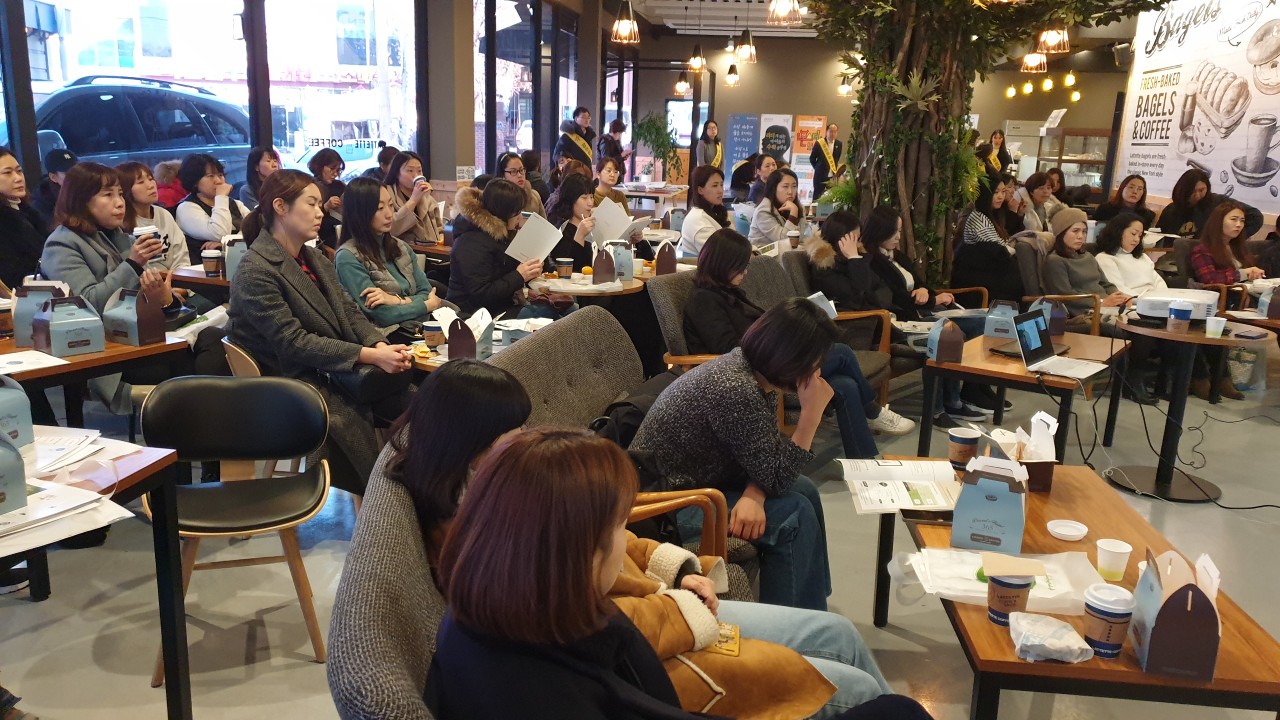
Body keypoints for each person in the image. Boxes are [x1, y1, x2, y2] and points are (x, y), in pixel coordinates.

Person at [425, 426, 931, 720]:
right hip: (676, 631)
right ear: (577, 550)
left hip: (669, 616)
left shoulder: (509, 597)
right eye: (618, 526)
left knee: (842, 641)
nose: (626, 536)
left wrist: (676, 577)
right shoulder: (546, 677)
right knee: (887, 706)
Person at [632, 300, 837, 610]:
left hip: (701, 483)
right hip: (667, 507)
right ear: (790, 359)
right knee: (793, 515)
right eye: (813, 362)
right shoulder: (735, 387)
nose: (816, 371)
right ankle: (792, 626)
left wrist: (755, 493)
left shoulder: (750, 370)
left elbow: (767, 454)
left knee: (806, 490)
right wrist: (810, 417)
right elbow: (776, 476)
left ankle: (811, 603)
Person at [226, 169, 411, 497]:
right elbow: (293, 342)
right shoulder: (256, 270)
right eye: (310, 204)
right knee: (412, 408)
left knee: (423, 400)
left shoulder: (312, 256)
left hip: (331, 370)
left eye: (319, 204)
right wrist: (368, 355)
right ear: (280, 207)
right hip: (291, 384)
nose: (320, 212)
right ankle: (389, 499)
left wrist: (379, 344)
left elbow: (349, 311)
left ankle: (407, 493)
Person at [685, 230, 913, 458]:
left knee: (845, 385)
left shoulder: (728, 292)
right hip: (754, 371)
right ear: (722, 263)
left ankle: (864, 462)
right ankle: (873, 410)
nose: (745, 272)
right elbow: (728, 350)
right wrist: (778, 340)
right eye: (740, 267)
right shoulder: (704, 300)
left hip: (767, 361)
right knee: (841, 352)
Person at [808, 212, 989, 424]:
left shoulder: (860, 260)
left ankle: (954, 402)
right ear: (841, 238)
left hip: (888, 317)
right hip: (867, 327)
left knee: (949, 331)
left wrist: (867, 286)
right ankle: (937, 411)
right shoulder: (826, 267)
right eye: (854, 237)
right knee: (940, 337)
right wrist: (856, 261)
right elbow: (857, 298)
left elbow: (884, 292)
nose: (858, 242)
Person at [41, 163, 188, 415]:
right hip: (104, 351)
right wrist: (133, 264)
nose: (119, 203)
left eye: (120, 194)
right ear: (81, 201)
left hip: (139, 336)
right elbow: (87, 305)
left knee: (210, 343)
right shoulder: (62, 244)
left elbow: (147, 299)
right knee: (188, 366)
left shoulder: (118, 236)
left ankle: (210, 435)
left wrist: (164, 297)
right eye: (108, 195)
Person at [335, 177, 445, 342]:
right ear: (359, 213)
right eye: (380, 208)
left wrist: (395, 300)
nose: (389, 214)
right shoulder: (348, 257)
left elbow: (427, 291)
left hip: (420, 325)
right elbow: (383, 315)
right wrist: (425, 305)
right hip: (387, 337)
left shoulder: (400, 246)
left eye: (391, 205)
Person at [448, 179, 555, 319]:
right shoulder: (471, 242)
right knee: (548, 313)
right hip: (476, 314)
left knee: (566, 307)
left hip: (504, 305)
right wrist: (520, 275)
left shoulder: (502, 234)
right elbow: (480, 293)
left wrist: (531, 269)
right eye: (516, 213)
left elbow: (507, 270)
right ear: (504, 213)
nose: (519, 217)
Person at [860, 206, 956, 321]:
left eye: (899, 231)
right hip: (902, 317)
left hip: (922, 310)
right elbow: (896, 296)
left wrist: (922, 290)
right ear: (880, 231)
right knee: (955, 327)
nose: (898, 237)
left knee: (969, 320)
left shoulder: (899, 256)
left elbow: (918, 282)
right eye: (893, 232)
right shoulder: (870, 262)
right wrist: (935, 300)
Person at [950, 174, 1025, 304]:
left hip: (989, 275)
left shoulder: (994, 215)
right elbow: (998, 251)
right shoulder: (977, 217)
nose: (1000, 196)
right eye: (996, 192)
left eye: (1003, 191)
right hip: (975, 280)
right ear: (985, 194)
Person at [116, 161, 190, 272]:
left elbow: (181, 256)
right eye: (140, 182)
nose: (150, 185)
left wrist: (179, 280)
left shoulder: (163, 214)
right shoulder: (121, 222)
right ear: (126, 190)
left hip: (177, 279)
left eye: (150, 179)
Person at [174, 153, 250, 262]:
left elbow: (255, 229)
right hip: (202, 268)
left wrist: (226, 243)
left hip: (240, 263)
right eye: (210, 176)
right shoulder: (186, 208)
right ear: (195, 181)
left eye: (220, 175)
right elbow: (220, 233)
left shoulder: (235, 204)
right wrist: (221, 197)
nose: (218, 181)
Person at [1156, 168, 1264, 239]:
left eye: (1201, 190)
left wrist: (1233, 238)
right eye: (1192, 192)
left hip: (1212, 255)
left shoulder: (1218, 202)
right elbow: (1158, 234)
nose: (1198, 196)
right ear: (1183, 191)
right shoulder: (1171, 210)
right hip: (1176, 258)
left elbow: (1255, 216)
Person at [1189, 200, 1266, 285]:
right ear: (1219, 221)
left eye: (1242, 221)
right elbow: (1210, 279)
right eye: (1234, 219)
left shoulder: (1237, 247)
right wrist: (1244, 273)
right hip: (1225, 292)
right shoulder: (1203, 250)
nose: (1239, 225)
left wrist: (1253, 274)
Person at [0, 147, 46, 289]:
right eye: (7, 173)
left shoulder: (29, 212)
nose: (18, 178)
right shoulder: (5, 220)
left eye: (19, 171)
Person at [1094, 211, 1167, 298]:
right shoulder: (1105, 258)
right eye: (1133, 234)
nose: (1137, 239)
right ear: (1118, 232)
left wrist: (1164, 297)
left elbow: (1158, 282)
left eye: (1140, 235)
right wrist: (1143, 300)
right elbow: (1117, 289)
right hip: (1132, 302)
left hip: (1154, 300)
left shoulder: (1142, 257)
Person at [383, 151, 445, 247]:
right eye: (410, 171)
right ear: (397, 173)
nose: (416, 175)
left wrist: (442, 237)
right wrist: (413, 200)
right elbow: (391, 229)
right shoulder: (387, 195)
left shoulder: (427, 197)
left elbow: (440, 227)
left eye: (419, 171)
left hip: (433, 250)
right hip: (403, 251)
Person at [748, 168, 809, 248]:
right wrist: (793, 214)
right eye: (785, 186)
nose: (790, 192)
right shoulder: (763, 211)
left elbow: (799, 238)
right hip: (763, 254)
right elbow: (785, 240)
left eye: (794, 186)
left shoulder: (798, 207)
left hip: (788, 253)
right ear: (774, 189)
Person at [548, 174, 598, 272]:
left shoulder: (592, 224)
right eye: (584, 198)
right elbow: (569, 269)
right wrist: (580, 236)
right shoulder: (561, 230)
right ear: (571, 200)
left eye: (591, 197)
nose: (590, 203)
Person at [678, 165, 729, 257]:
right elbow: (721, 255)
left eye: (721, 185)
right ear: (700, 190)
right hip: (708, 265)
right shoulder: (698, 220)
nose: (720, 191)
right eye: (715, 186)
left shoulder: (716, 211)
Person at [30, 148, 77, 231]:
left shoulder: (85, 190)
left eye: (77, 170)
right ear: (53, 177)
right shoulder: (42, 202)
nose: (75, 176)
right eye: (68, 173)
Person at [308, 147, 346, 247]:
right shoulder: (310, 186)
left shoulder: (340, 186)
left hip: (341, 236)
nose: (335, 174)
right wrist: (325, 207)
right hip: (319, 238)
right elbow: (307, 217)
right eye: (332, 169)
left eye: (338, 170)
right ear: (320, 166)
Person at [493, 151, 548, 219]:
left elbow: (544, 223)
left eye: (521, 170)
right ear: (503, 175)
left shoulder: (534, 196)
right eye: (513, 171)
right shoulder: (495, 201)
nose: (519, 175)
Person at [810, 123, 844, 202]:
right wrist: (818, 168)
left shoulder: (839, 144)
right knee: (817, 196)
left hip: (832, 175)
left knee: (830, 197)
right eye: (831, 131)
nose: (833, 134)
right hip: (820, 175)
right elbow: (812, 159)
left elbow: (836, 159)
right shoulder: (819, 143)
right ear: (826, 131)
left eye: (835, 132)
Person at [239, 146, 280, 210]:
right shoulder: (247, 190)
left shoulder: (280, 186)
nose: (274, 165)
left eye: (275, 161)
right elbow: (258, 214)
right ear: (256, 167)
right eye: (268, 161)